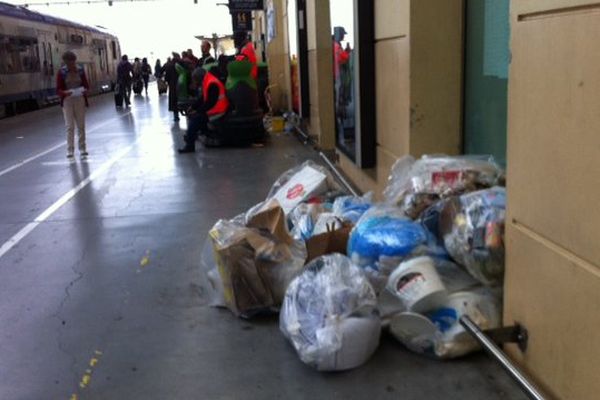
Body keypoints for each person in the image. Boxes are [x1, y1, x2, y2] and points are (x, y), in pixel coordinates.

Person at [178, 63, 228, 153]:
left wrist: (197, 111)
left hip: (218, 110)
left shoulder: (212, 83)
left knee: (195, 120)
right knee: (196, 117)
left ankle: (190, 144)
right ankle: (197, 134)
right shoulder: (207, 80)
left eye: (195, 80)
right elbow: (203, 98)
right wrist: (193, 107)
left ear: (199, 78)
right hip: (215, 108)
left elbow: (210, 103)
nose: (195, 82)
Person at [56, 51, 89, 158]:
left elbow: (86, 85)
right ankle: (70, 150)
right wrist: (65, 92)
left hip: (79, 98)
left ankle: (82, 148)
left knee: (81, 125)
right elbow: (58, 89)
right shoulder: (61, 72)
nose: (71, 64)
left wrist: (83, 90)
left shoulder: (80, 71)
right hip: (67, 100)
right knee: (69, 126)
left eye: (72, 62)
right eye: (68, 62)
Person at [164, 52, 181, 121]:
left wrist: (168, 82)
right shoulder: (180, 63)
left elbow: (166, 76)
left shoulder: (169, 64)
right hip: (181, 83)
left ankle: (176, 116)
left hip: (172, 84)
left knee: (174, 100)